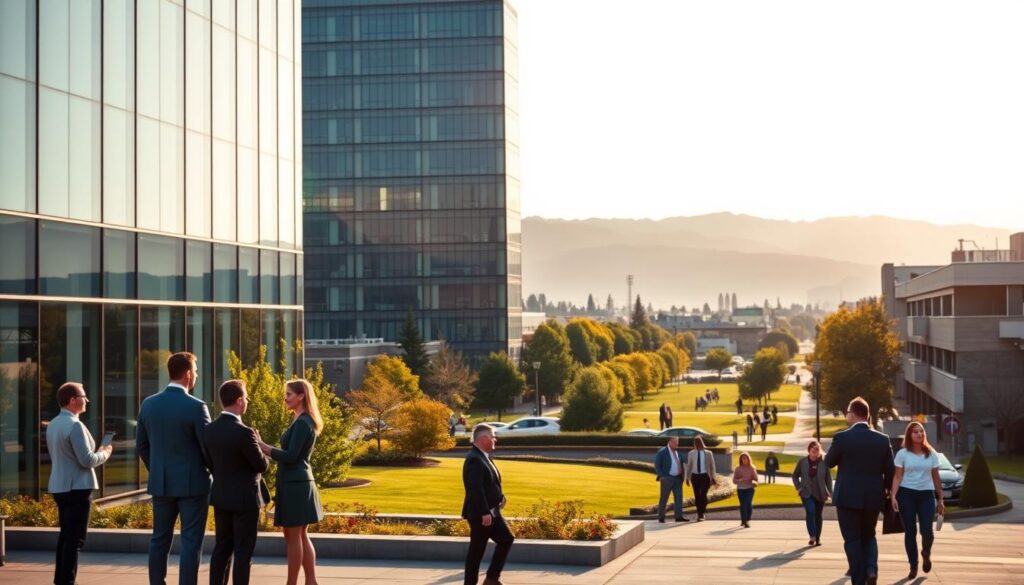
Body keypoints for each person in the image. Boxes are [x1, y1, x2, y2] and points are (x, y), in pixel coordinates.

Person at [137, 352, 212, 585]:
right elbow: (207, 449)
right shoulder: (197, 407)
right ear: (188, 374)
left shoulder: (148, 404)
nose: (196, 375)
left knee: (159, 539)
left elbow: (142, 446)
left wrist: (158, 469)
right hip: (193, 485)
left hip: (161, 483)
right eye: (196, 371)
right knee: (191, 541)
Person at [258, 379, 325, 585]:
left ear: (301, 395)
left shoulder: (304, 422)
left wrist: (263, 447)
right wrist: (265, 447)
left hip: (297, 483)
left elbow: (291, 456)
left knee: (295, 536)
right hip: (294, 482)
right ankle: (310, 582)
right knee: (297, 535)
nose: (285, 398)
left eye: (288, 394)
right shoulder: (300, 420)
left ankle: (293, 583)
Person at [204, 379, 270, 585]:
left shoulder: (209, 430)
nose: (247, 401)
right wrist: (260, 446)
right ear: (240, 401)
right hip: (245, 501)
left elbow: (209, 463)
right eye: (247, 397)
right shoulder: (245, 432)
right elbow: (261, 465)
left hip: (221, 497)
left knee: (221, 548)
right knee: (243, 551)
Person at [46, 382, 112, 585]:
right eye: (84, 396)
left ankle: (60, 580)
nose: (87, 401)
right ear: (73, 400)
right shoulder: (75, 425)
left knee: (65, 538)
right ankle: (67, 580)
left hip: (60, 486)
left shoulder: (54, 423)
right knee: (75, 540)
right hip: (77, 488)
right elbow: (87, 461)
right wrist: (105, 452)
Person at [825, 397, 895, 585]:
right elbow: (890, 471)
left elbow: (828, 462)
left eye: (847, 412)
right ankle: (871, 570)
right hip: (873, 498)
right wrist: (889, 494)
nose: (846, 415)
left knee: (852, 540)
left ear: (853, 414)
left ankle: (858, 580)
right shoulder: (883, 440)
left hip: (847, 498)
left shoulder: (841, 438)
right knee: (869, 535)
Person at [890, 421, 946, 580]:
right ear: (909, 435)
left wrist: (940, 498)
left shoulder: (931, 454)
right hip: (906, 495)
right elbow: (897, 476)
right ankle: (913, 565)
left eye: (921, 431)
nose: (919, 434)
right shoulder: (902, 454)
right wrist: (893, 496)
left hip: (926, 496)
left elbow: (936, 478)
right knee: (910, 532)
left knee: (927, 530)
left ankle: (926, 553)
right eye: (915, 432)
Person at [462, 424, 515, 585]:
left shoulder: (483, 456)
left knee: (506, 539)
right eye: (493, 437)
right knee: (476, 553)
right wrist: (485, 512)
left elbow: (489, 483)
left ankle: (491, 579)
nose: (495, 439)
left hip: (493, 512)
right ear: (484, 439)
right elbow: (475, 489)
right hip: (481, 514)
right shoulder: (474, 460)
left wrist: (500, 497)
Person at [793, 440, 833, 546]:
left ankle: (818, 538)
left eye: (817, 450)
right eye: (813, 450)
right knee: (810, 512)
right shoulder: (802, 462)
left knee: (818, 515)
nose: (815, 452)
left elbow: (828, 479)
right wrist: (799, 487)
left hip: (820, 493)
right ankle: (812, 536)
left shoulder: (824, 463)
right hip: (806, 493)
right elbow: (795, 476)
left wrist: (830, 492)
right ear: (809, 451)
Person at [654, 436, 689, 523]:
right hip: (667, 478)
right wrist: (662, 476)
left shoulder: (678, 452)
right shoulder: (662, 452)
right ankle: (661, 517)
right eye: (675, 442)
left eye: (678, 442)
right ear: (669, 442)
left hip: (678, 479)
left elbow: (683, 463)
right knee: (664, 498)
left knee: (679, 498)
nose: (677, 444)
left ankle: (678, 517)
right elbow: (657, 465)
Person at [685, 435, 717, 521]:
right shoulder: (691, 453)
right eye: (696, 443)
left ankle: (702, 511)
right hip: (695, 476)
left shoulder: (708, 453)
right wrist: (687, 478)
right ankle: (700, 514)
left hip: (705, 476)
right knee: (697, 495)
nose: (697, 444)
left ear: (702, 443)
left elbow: (712, 466)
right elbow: (689, 466)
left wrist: (713, 477)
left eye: (698, 442)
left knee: (703, 495)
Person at [732, 452, 758, 527]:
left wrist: (754, 481)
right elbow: (734, 481)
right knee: (742, 504)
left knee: (748, 503)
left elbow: (756, 478)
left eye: (745, 458)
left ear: (748, 459)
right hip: (740, 489)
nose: (744, 460)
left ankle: (747, 519)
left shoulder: (752, 468)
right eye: (742, 459)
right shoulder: (738, 468)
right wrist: (739, 480)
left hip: (750, 488)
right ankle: (743, 520)